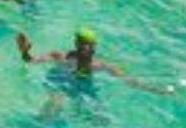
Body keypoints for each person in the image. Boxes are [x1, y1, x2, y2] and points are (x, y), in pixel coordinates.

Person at [17, 29, 176, 96]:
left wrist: (156, 89)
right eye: (82, 43)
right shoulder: (61, 55)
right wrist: (25, 51)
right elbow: (30, 61)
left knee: (99, 118)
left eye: (88, 44)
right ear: (76, 43)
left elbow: (130, 81)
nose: (85, 47)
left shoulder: (101, 65)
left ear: (94, 46)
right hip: (59, 79)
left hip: (84, 84)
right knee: (55, 105)